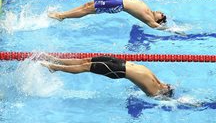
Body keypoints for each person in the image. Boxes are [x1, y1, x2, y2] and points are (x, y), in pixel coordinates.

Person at [40, 54, 174, 98]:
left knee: (85, 67)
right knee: (87, 60)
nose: (168, 86)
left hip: (118, 70)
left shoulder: (153, 91)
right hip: (121, 62)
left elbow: (163, 99)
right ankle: (56, 60)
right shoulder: (158, 83)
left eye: (168, 89)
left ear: (163, 93)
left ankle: (54, 68)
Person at [48, 0, 167, 29]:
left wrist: (174, 30)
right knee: (87, 5)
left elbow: (154, 26)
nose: (161, 12)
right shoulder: (149, 11)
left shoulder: (149, 19)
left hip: (117, 4)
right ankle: (63, 14)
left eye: (162, 16)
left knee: (88, 10)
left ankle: (61, 16)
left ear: (158, 20)